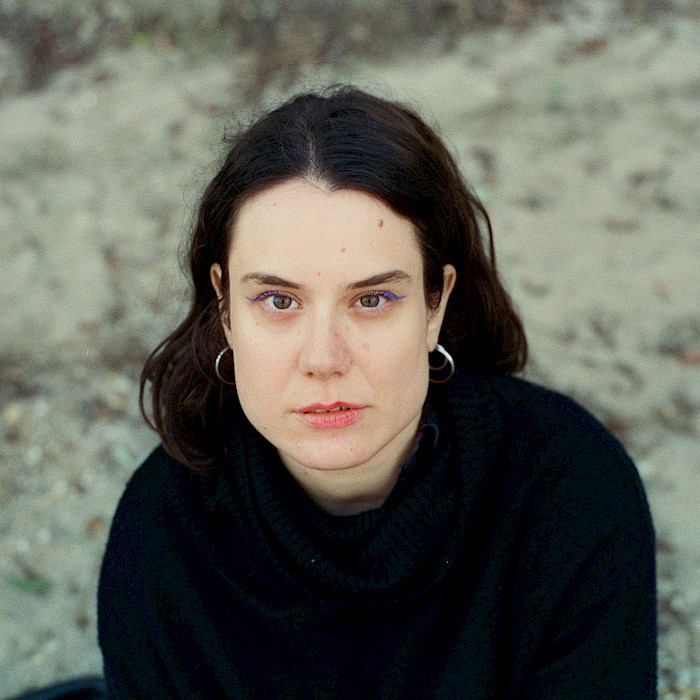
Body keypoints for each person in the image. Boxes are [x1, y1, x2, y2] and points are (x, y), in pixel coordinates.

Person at [97, 86, 657, 698]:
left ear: (435, 305)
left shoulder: (571, 492)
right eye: (278, 301)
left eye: (371, 299)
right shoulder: (161, 535)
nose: (323, 360)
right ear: (226, 308)